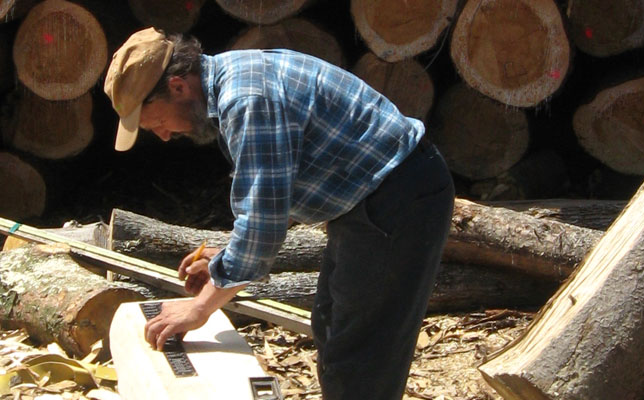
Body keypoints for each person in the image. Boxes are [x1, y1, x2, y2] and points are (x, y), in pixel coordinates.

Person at [103, 27, 454, 399]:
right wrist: (226, 260)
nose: (163, 135)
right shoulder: (234, 78)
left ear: (177, 87)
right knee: (332, 323)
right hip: (374, 196)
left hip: (399, 197)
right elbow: (274, 196)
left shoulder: (247, 100)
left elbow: (263, 225)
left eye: (156, 122)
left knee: (360, 356)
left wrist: (200, 308)